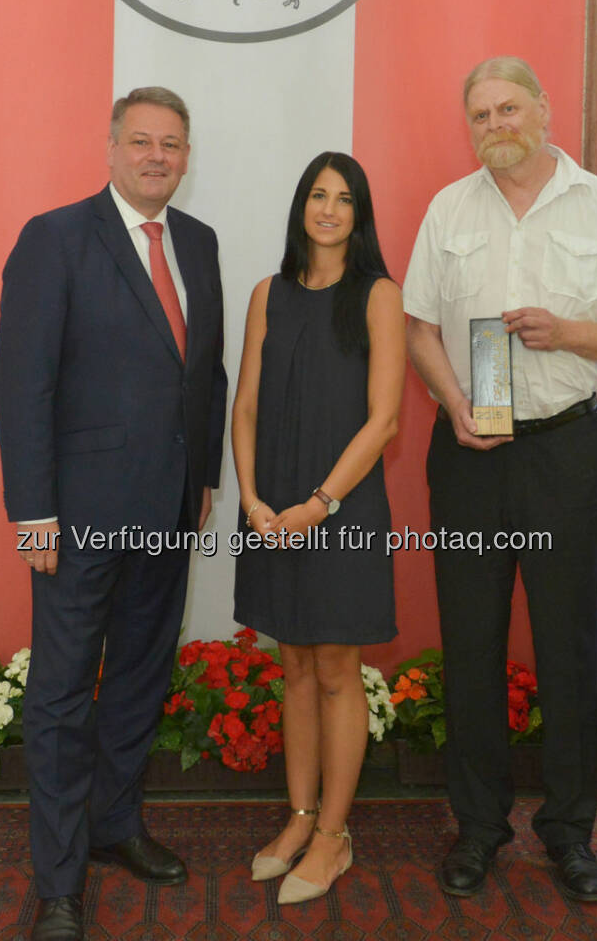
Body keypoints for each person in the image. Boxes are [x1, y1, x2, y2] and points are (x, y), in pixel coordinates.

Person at [403, 56, 597, 902]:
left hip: (562, 451)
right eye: (479, 115)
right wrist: (452, 403)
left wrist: (568, 332)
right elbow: (417, 329)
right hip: (472, 455)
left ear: (543, 110)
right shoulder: (449, 209)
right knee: (472, 645)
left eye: (509, 108)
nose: (495, 126)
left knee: (568, 646)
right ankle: (478, 828)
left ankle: (570, 832)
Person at [0, 86, 227, 941]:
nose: (157, 156)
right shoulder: (54, 238)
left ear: (187, 156)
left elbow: (207, 374)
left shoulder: (197, 244)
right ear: (111, 147)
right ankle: (58, 882)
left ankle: (115, 826)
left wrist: (202, 478)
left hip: (168, 511)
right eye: (141, 142)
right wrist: (33, 511)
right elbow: (24, 383)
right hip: (77, 518)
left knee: (137, 678)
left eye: (171, 144)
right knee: (60, 697)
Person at [231, 152, 404, 905]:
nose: (328, 209)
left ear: (359, 215)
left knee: (336, 671)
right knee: (293, 667)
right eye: (316, 195)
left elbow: (385, 419)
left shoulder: (378, 296)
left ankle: (335, 836)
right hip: (272, 512)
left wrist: (321, 504)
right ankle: (300, 818)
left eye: (343, 199)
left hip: (342, 508)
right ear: (301, 206)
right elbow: (244, 407)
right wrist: (251, 498)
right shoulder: (268, 293)